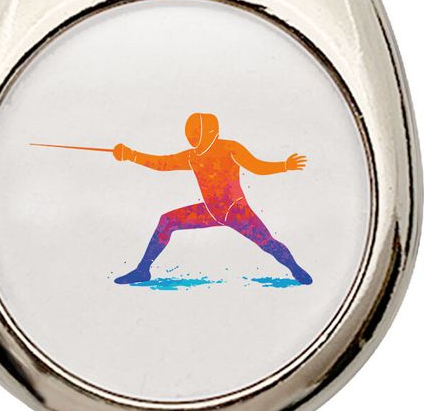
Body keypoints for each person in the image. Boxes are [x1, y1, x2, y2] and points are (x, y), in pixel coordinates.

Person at [113, 112, 312, 285]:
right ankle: (142, 271)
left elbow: (256, 166)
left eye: (196, 132)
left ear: (209, 132)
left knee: (267, 242)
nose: (192, 137)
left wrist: (284, 166)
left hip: (237, 212)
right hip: (211, 211)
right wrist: (131, 155)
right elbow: (163, 163)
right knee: (167, 221)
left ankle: (295, 269)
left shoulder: (230, 148)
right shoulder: (193, 156)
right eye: (191, 133)